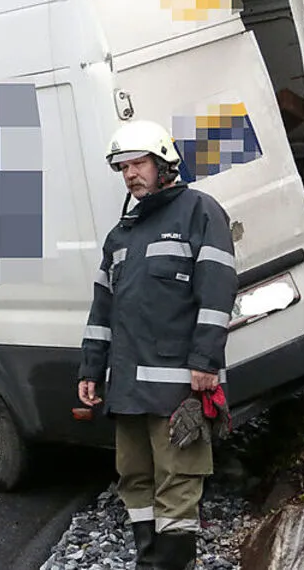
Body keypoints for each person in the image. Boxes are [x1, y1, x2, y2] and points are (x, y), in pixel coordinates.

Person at [76, 119, 238, 569]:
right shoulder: (120, 236)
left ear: (165, 162)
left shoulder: (199, 212)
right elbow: (101, 310)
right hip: (127, 390)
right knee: (135, 479)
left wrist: (206, 361)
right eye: (123, 167)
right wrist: (91, 369)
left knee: (178, 481)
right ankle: (150, 563)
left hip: (178, 388)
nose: (130, 174)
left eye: (139, 163)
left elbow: (218, 290)